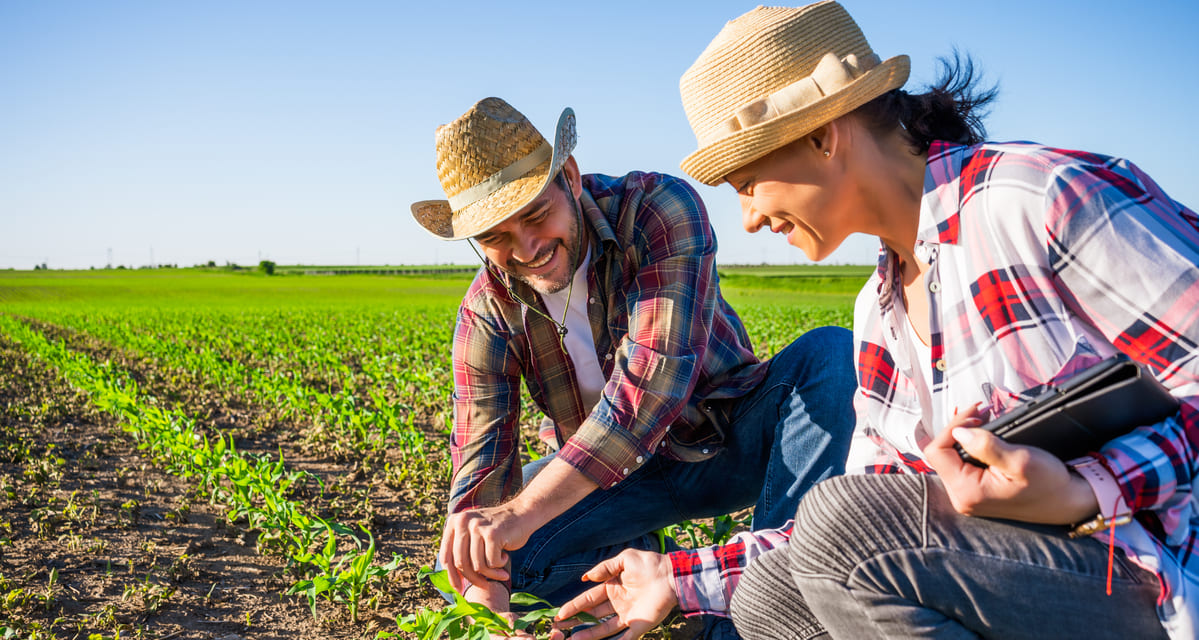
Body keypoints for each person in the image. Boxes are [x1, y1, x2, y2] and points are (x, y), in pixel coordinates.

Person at [551, 2, 1199, 639]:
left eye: (747, 182)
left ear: (822, 134)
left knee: (838, 530)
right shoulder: (880, 309)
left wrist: (1085, 488)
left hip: (1152, 574)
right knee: (773, 597)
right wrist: (679, 576)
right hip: (1027, 577)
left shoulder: (1036, 200)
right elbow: (878, 510)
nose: (747, 217)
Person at [409, 96, 857, 635]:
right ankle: (637, 568)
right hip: (612, 485)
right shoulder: (487, 313)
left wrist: (519, 516)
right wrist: (487, 600)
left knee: (831, 354)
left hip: (726, 441)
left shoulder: (656, 209)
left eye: (535, 215)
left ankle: (764, 604)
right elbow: (479, 465)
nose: (527, 247)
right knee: (457, 559)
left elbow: (651, 386)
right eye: (495, 237)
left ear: (569, 177)